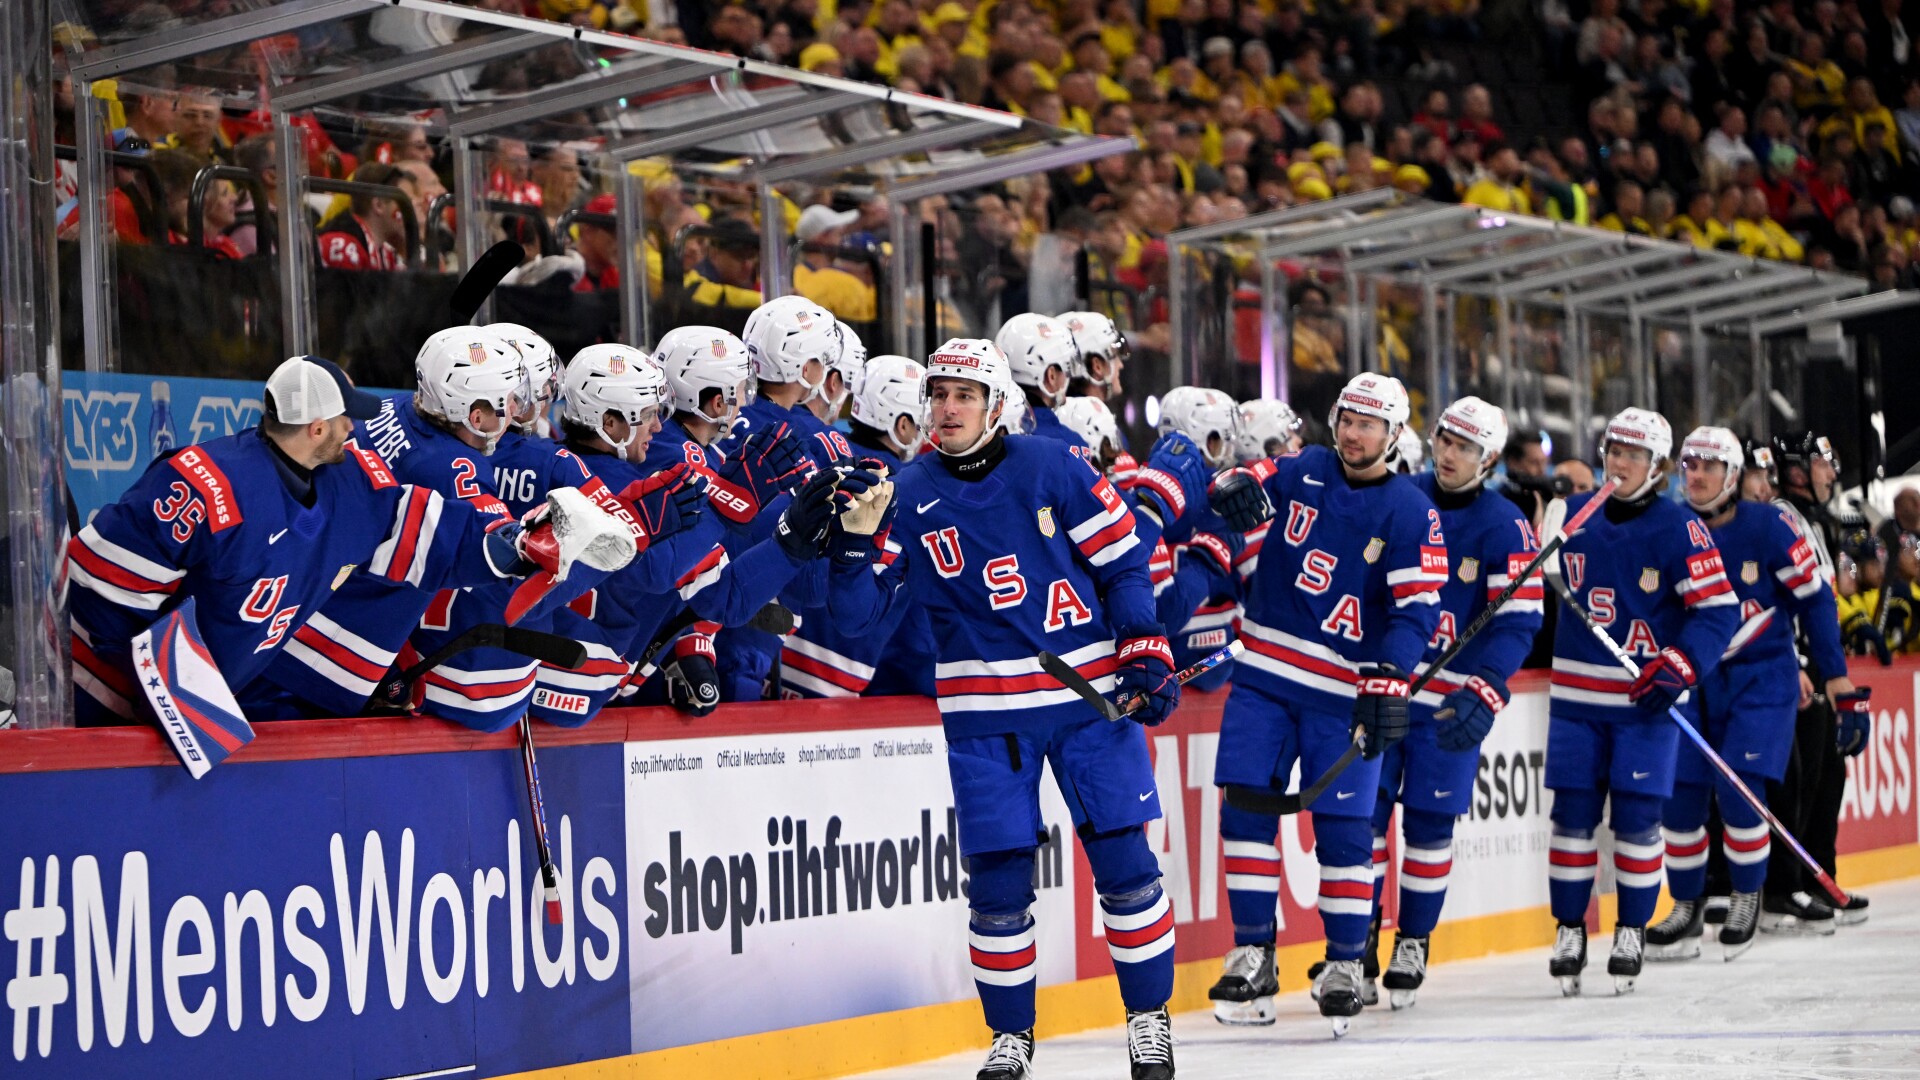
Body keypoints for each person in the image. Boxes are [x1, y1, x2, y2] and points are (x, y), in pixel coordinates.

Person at [824, 338, 1181, 1080]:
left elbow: (1124, 562)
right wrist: (852, 550)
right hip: (984, 717)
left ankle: (1149, 1020)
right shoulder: (904, 492)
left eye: (964, 395)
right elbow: (857, 619)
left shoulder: (1055, 466)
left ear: (995, 406)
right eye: (939, 394)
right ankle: (1011, 1037)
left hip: (1086, 701)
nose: (948, 408)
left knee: (1126, 866)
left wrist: (1143, 644)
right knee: (996, 889)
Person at [68, 356, 563, 726]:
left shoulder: (354, 483)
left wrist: (514, 546)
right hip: (103, 701)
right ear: (317, 426)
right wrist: (151, 693)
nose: (355, 427)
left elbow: (429, 536)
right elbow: (98, 584)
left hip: (212, 708)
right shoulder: (205, 484)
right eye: (346, 418)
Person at [1204, 372, 1446, 1034]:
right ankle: (1253, 952)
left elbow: (1417, 610)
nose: (1353, 433)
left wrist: (1391, 673)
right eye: (1347, 419)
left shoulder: (1410, 510)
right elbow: (1246, 479)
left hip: (1343, 692)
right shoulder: (1303, 467)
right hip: (1263, 677)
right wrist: (1229, 488)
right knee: (1244, 810)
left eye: (1368, 424)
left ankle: (1344, 961)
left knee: (1343, 830)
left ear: (1393, 435)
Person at [252, 330, 639, 728]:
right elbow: (503, 568)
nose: (517, 410)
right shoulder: (454, 469)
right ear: (476, 416)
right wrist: (586, 553)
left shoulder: (390, 409)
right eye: (508, 400)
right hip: (317, 664)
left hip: (284, 612)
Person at [1542, 408, 1738, 996]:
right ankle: (1569, 928)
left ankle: (1631, 929)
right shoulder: (1573, 515)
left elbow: (1718, 611)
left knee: (1635, 821)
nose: (1619, 464)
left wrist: (1683, 663)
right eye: (1613, 451)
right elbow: (1528, 587)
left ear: (1658, 467)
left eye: (1633, 455)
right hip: (1576, 700)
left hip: (1644, 702)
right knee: (1571, 818)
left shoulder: (1681, 528)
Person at [1648, 427, 1860, 961]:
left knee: (1741, 789)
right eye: (1689, 465)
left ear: (1733, 475)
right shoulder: (1668, 525)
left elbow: (1816, 599)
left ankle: (1748, 896)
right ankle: (1687, 905)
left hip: (1761, 676)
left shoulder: (1770, 525)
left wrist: (1835, 677)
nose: (1696, 475)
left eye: (1709, 466)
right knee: (1679, 798)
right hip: (1692, 678)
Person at [1374, 396, 1543, 1007]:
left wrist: (1488, 684)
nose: (1448, 454)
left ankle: (1412, 941)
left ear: (1488, 458)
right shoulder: (1400, 496)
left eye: (1464, 447)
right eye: (1444, 440)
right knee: (1362, 821)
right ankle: (1356, 942)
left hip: (1448, 702)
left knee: (1428, 824)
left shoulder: (1506, 526)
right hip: (1386, 688)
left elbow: (1519, 621)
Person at [1765, 431, 1879, 929]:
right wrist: (1797, 662)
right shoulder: (1780, 519)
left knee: (1829, 775)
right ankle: (1785, 885)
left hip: (1817, 667)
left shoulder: (1815, 522)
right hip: (1795, 667)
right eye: (1821, 462)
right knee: (1800, 779)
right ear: (1795, 469)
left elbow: (1824, 600)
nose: (1831, 472)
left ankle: (1819, 880)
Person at [778, 355, 937, 699]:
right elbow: (913, 632)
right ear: (902, 425)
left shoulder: (819, 451)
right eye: (922, 422)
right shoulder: (913, 497)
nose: (926, 432)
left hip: (772, 654)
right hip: (836, 682)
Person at [996, 312, 1083, 446]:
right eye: (1066, 368)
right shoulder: (1069, 442)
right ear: (1051, 376)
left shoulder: (983, 429)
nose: (1068, 377)